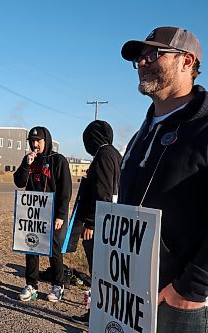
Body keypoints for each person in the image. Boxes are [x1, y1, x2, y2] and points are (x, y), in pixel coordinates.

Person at [119, 26, 207, 332]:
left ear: (187, 61)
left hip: (179, 301)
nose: (142, 63)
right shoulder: (140, 135)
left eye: (153, 54)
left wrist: (191, 288)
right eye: (140, 58)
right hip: (130, 290)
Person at [70, 120, 122, 326]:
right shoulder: (115, 154)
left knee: (98, 272)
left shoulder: (102, 156)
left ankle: (97, 316)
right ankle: (107, 314)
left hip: (100, 224)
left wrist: (91, 223)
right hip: (113, 222)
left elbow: (102, 192)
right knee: (108, 273)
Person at [13, 126, 72, 302]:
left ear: (46, 141)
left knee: (53, 249)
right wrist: (26, 164)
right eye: (32, 141)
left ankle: (58, 285)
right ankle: (31, 284)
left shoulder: (58, 160)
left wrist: (61, 214)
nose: (35, 144)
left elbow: (65, 190)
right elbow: (19, 182)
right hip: (33, 213)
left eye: (38, 140)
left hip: (52, 213)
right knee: (31, 247)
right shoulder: (30, 160)